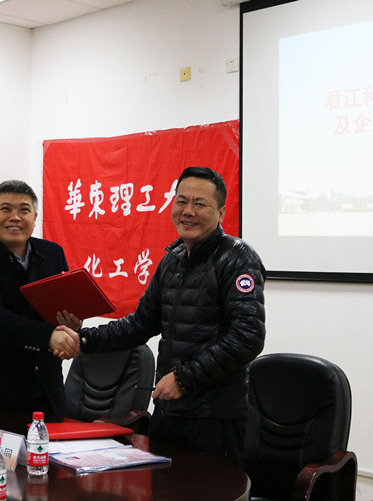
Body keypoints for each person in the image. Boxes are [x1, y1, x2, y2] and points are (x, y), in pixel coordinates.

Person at [57, 166, 266, 466]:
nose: (188, 211)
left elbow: (248, 336)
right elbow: (140, 324)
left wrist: (184, 378)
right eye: (182, 201)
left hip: (215, 418)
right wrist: (84, 340)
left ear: (220, 213)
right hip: (170, 410)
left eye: (200, 203)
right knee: (165, 486)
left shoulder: (237, 257)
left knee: (209, 489)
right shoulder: (173, 259)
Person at [0, 180, 81, 416]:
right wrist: (49, 337)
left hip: (48, 394)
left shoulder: (53, 253)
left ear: (35, 217)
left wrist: (71, 324)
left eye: (24, 210)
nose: (15, 217)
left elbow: (61, 304)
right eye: (6, 209)